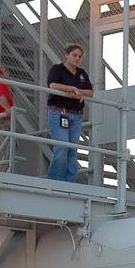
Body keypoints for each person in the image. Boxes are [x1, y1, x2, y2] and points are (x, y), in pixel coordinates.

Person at [45, 43, 93, 182]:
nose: (77, 58)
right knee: (62, 146)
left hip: (76, 115)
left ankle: (69, 182)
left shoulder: (82, 73)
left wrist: (75, 91)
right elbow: (53, 85)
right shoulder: (57, 69)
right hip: (59, 112)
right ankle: (55, 181)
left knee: (72, 149)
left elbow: (90, 92)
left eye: (80, 56)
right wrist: (71, 88)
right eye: (74, 55)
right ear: (66, 55)